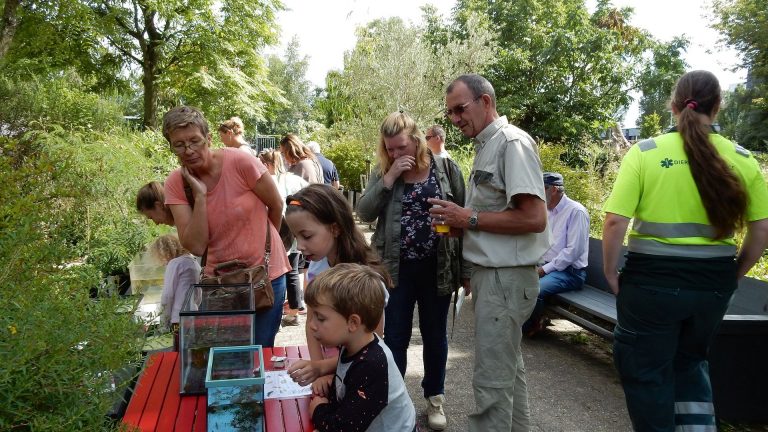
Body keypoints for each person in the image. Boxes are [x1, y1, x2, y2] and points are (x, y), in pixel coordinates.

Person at [602, 70, 768, 432]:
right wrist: (734, 273)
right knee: (691, 363)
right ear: (718, 106)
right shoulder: (742, 159)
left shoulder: (645, 152)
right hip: (713, 287)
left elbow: (615, 222)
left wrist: (611, 272)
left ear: (673, 105)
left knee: (647, 372)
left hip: (651, 287)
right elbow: (762, 229)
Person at [429, 74, 550, 431]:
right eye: (450, 112)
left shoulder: (511, 143)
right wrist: (463, 224)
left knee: (492, 384)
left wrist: (469, 217)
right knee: (508, 377)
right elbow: (496, 218)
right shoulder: (490, 145)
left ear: (485, 102)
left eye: (460, 109)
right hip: (497, 277)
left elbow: (534, 217)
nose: (454, 119)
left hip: (505, 278)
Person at [356, 111, 468, 431]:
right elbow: (364, 212)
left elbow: (463, 219)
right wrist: (389, 178)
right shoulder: (384, 171)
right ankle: (394, 399)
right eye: (390, 148)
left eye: (401, 147)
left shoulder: (445, 169)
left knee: (435, 336)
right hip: (396, 269)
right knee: (394, 337)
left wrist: (467, 270)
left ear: (416, 140)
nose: (396, 154)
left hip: (438, 266)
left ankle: (435, 398)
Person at [161, 106, 290, 348]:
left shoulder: (240, 161)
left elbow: (275, 204)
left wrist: (263, 249)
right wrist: (200, 197)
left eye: (195, 141)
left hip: (265, 277)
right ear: (171, 146)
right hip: (220, 286)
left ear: (208, 139)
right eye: (179, 145)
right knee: (227, 358)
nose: (188, 151)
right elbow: (197, 246)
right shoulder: (176, 183)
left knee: (261, 353)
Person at [284, 184, 392, 398]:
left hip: (357, 375)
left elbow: (372, 343)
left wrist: (324, 368)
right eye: (296, 237)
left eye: (306, 236)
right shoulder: (316, 266)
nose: (300, 246)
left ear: (334, 228)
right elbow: (311, 322)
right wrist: (317, 367)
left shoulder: (367, 280)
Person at [297, 263, 416, 432]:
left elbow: (342, 428)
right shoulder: (355, 344)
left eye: (320, 318)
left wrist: (318, 410)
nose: (311, 325)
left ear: (353, 323)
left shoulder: (372, 364)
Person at [522, 172, 589, 337]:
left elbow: (573, 252)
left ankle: (532, 326)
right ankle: (524, 323)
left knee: (534, 290)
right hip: (547, 266)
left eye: (541, 188)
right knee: (516, 279)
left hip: (570, 273)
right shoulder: (546, 210)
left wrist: (544, 270)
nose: (538, 193)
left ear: (553, 189)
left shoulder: (576, 211)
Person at [258, 148, 309, 327]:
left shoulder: (264, 181)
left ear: (265, 164)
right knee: (293, 271)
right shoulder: (294, 179)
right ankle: (294, 310)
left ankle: (275, 312)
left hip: (275, 231)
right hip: (295, 230)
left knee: (274, 273)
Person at [150, 234, 201, 351]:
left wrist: (163, 323)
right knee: (191, 350)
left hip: (178, 319)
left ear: (164, 252)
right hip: (193, 314)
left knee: (180, 353)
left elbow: (167, 295)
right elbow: (198, 293)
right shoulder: (193, 262)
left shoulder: (175, 264)